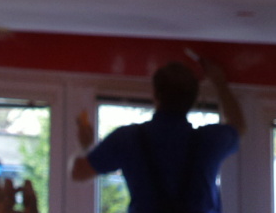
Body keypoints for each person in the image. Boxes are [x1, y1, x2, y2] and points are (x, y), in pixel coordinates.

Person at [69, 54, 246, 213]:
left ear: (155, 95)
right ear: (193, 100)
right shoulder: (210, 141)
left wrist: (84, 145)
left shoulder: (127, 139)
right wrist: (220, 83)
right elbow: (238, 126)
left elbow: (78, 173)